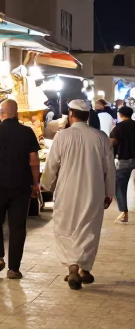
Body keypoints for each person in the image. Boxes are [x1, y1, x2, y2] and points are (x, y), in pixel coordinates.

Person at [42, 99, 115, 290]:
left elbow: (52, 165)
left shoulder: (62, 136)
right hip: (93, 191)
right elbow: (109, 168)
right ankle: (84, 268)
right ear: (88, 115)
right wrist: (109, 192)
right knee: (88, 230)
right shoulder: (100, 137)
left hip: (67, 191)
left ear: (71, 114)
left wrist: (46, 185)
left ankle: (73, 267)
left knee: (66, 228)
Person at [0, 99, 41, 279]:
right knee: (18, 227)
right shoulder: (27, 132)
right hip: (21, 186)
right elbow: (34, 160)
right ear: (17, 112)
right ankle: (13, 269)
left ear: (0, 112)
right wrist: (35, 183)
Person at [111, 105, 135, 223]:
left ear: (120, 115)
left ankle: (124, 213)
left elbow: (112, 143)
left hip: (124, 160)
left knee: (120, 186)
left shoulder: (118, 127)